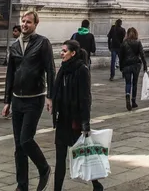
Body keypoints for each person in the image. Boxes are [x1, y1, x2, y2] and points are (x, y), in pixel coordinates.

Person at [2, 10, 54, 191]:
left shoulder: (42, 43)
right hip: (17, 99)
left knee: (26, 140)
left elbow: (50, 70)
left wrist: (50, 96)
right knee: (18, 146)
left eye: (28, 22)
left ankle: (44, 168)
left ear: (35, 24)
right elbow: (10, 74)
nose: (24, 24)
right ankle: (22, 186)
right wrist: (7, 100)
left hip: (35, 98)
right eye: (23, 21)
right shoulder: (14, 46)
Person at [49, 40, 103, 191]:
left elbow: (85, 98)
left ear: (73, 53)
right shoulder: (63, 69)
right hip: (62, 119)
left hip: (75, 120)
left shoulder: (82, 70)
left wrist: (85, 123)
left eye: (64, 51)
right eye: (62, 50)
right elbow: (56, 88)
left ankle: (96, 184)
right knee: (60, 158)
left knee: (83, 153)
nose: (61, 53)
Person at [117, 28, 145, 111]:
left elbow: (121, 56)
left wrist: (121, 66)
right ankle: (133, 101)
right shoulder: (138, 42)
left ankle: (127, 95)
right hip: (136, 65)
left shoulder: (124, 43)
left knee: (128, 82)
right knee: (135, 83)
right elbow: (142, 54)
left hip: (126, 65)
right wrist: (145, 64)